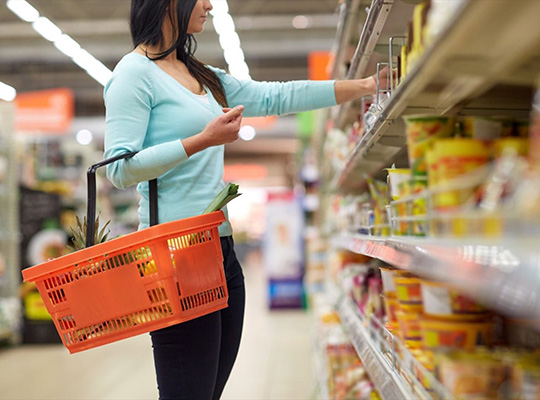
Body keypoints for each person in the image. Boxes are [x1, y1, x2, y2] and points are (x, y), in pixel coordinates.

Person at [104, 0, 389, 398]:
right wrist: (202, 139)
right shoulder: (133, 74)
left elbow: (276, 97)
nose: (208, 5)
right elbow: (118, 169)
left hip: (220, 249)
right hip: (174, 258)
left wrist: (364, 87)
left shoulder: (199, 74)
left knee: (208, 389)